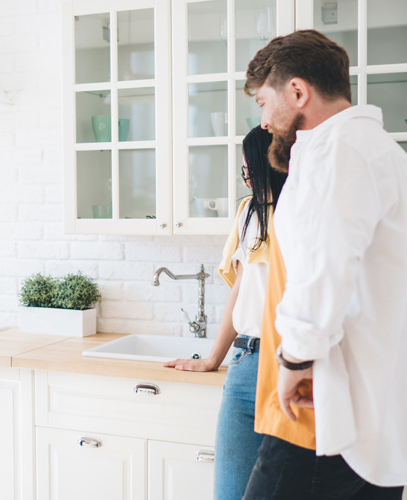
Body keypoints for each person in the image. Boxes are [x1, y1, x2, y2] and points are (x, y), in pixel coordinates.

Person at [241, 29, 407, 499]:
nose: (264, 119)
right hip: (370, 412)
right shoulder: (382, 152)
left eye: (262, 101)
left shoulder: (339, 152)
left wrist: (295, 358)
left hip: (325, 410)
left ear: (297, 91)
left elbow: (326, 265)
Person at [164, 125, 287, 500]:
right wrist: (213, 358)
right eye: (244, 167)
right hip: (245, 365)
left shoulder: (301, 212)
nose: (246, 174)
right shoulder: (248, 212)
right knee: (230, 494)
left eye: (251, 165)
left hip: (288, 367)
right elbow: (241, 287)